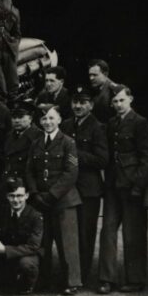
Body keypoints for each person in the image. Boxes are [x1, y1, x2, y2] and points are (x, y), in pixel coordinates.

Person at [97, 84, 148, 294]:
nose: (118, 104)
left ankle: (136, 279)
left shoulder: (140, 123)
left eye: (122, 100)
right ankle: (107, 279)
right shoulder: (111, 123)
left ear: (130, 99)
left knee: (134, 234)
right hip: (113, 186)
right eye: (115, 101)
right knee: (108, 232)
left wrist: (138, 185)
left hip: (132, 187)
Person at [25, 104, 82, 295]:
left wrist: (52, 195)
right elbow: (29, 171)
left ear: (59, 120)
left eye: (51, 118)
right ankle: (43, 280)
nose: (47, 122)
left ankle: (71, 282)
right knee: (43, 242)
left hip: (63, 200)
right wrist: (34, 194)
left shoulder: (68, 142)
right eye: (44, 119)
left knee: (67, 242)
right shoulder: (36, 143)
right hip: (41, 201)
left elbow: (71, 173)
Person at [59, 86, 108, 284]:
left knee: (86, 233)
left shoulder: (98, 128)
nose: (78, 106)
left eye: (83, 102)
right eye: (75, 102)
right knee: (69, 232)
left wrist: (74, 153)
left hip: (89, 189)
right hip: (69, 188)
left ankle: (83, 275)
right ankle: (70, 274)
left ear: (91, 105)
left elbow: (102, 159)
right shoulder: (66, 125)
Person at [3, 100, 42, 181]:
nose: (16, 120)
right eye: (14, 117)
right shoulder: (9, 135)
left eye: (20, 117)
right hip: (9, 179)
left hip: (27, 181)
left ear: (30, 118)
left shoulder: (39, 136)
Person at [87, 59, 117, 124]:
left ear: (105, 74)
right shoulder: (95, 89)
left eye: (95, 75)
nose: (91, 78)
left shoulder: (115, 91)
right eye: (90, 75)